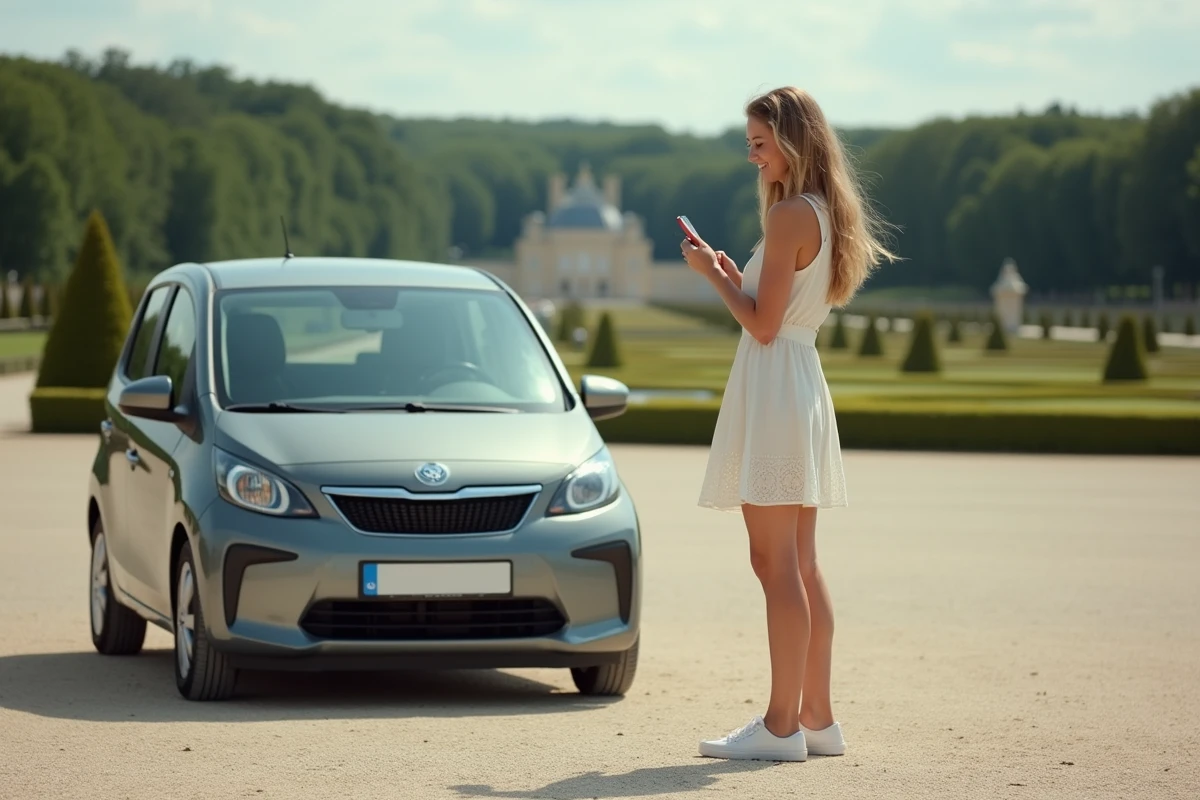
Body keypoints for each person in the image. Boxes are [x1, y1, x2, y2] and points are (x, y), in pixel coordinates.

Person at [682, 86, 896, 762]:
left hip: (775, 387)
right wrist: (727, 269)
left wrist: (711, 278)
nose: (752, 156)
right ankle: (817, 718)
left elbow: (762, 325)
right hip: (798, 384)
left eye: (759, 143)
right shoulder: (823, 212)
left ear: (791, 140)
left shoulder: (786, 218)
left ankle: (780, 727)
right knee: (799, 563)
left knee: (775, 563)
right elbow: (780, 317)